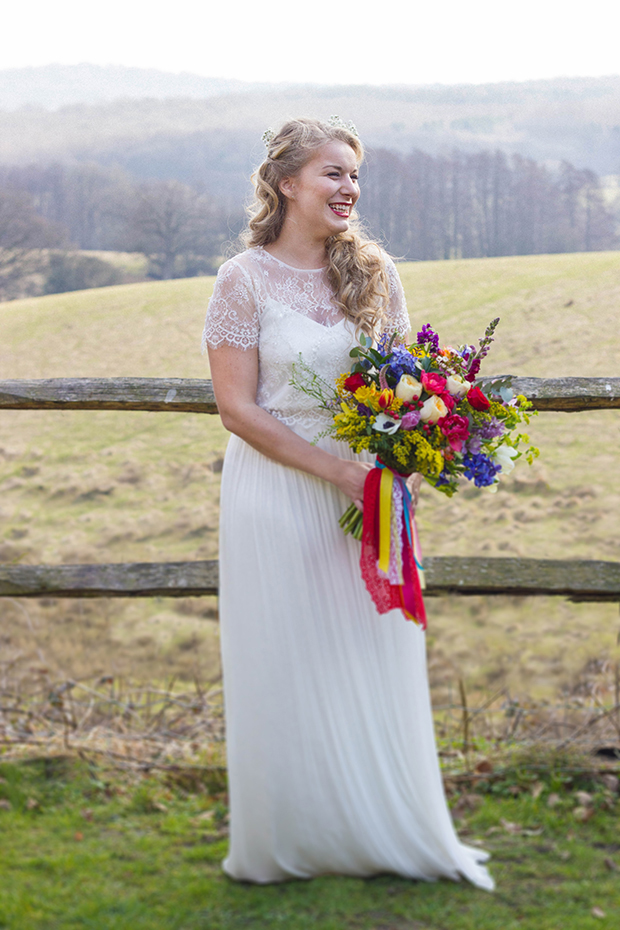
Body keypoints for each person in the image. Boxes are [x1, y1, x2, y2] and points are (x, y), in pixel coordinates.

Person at [203, 117, 493, 890]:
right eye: (332, 173)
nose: (349, 189)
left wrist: (404, 457)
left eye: (354, 176)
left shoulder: (374, 270)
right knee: (287, 657)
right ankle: (290, 836)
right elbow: (237, 408)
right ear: (287, 183)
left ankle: (379, 826)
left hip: (371, 491)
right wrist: (334, 473)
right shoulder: (243, 279)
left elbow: (406, 382)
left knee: (369, 649)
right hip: (276, 488)